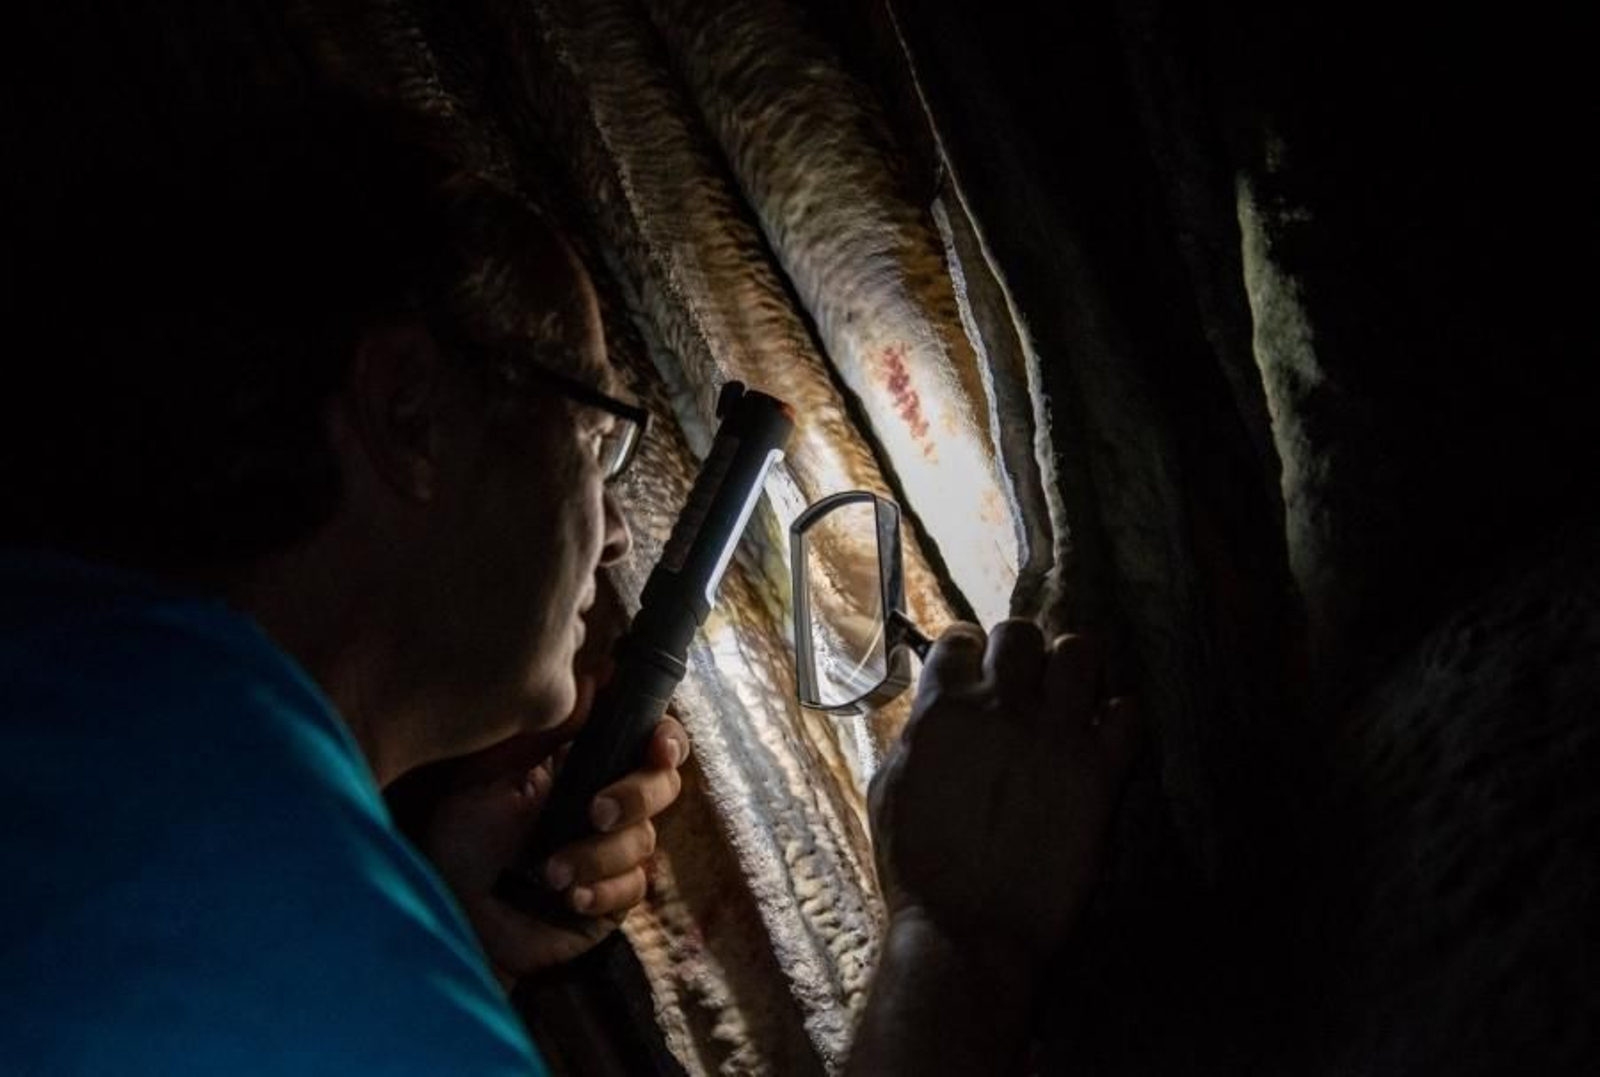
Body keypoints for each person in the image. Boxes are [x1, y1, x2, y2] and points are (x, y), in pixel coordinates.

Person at [0, 88, 1140, 1074]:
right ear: (410, 416)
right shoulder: (286, 937)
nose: (611, 535)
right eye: (595, 434)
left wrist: (446, 932)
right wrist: (956, 940)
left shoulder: (71, 703)